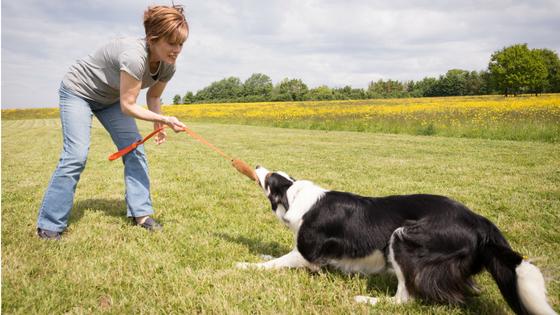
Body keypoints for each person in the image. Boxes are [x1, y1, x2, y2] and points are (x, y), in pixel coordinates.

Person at [36, 4, 189, 240]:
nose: (177, 49)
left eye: (181, 43)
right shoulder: (134, 56)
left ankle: (141, 214)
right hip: (79, 91)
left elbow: (154, 96)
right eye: (171, 43)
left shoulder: (168, 66)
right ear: (152, 39)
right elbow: (128, 105)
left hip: (110, 99)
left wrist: (158, 125)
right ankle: (50, 224)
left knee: (134, 149)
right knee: (76, 154)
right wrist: (165, 119)